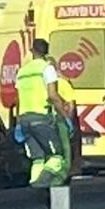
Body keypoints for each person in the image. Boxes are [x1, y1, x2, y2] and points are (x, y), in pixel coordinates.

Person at [15, 39, 72, 187]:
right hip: (42, 119)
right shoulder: (47, 69)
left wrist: (17, 123)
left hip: (24, 120)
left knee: (38, 159)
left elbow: (18, 99)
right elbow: (52, 95)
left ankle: (33, 193)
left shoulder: (22, 71)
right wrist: (66, 118)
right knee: (57, 157)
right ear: (47, 52)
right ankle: (39, 185)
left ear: (31, 50)